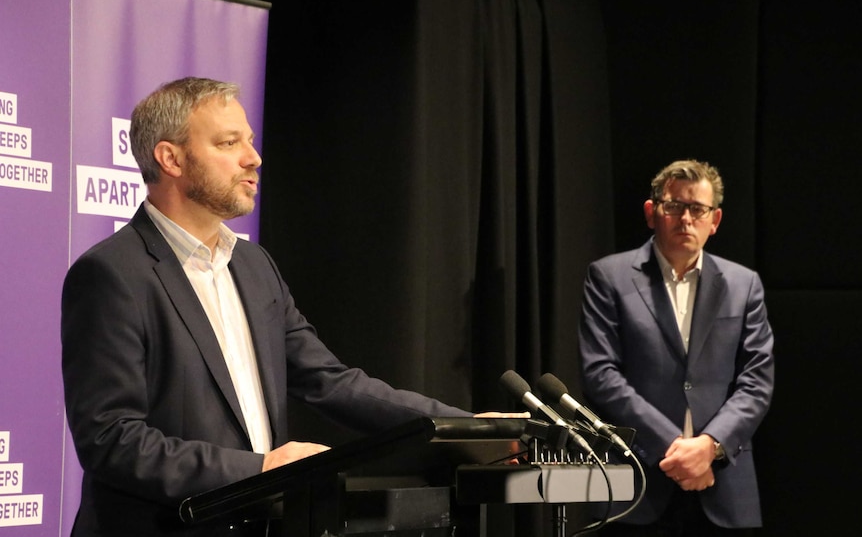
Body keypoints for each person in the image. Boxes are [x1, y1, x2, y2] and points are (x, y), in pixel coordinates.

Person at [61, 77, 522, 537]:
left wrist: (461, 427)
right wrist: (259, 467)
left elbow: (330, 382)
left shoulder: (254, 265)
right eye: (229, 142)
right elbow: (111, 440)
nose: (253, 157)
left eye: (250, 140)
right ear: (171, 158)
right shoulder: (112, 274)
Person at [578, 159, 775, 536]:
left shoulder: (744, 284)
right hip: (636, 483)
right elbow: (600, 374)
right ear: (652, 213)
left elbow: (757, 382)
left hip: (722, 484)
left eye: (697, 209)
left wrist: (709, 446)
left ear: (714, 220)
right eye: (674, 206)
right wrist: (675, 447)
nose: (686, 218)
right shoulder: (608, 277)